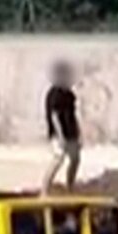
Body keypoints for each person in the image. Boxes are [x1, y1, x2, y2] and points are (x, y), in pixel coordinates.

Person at [42, 60, 81, 194]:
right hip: (58, 134)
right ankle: (44, 190)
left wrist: (77, 132)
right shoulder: (54, 94)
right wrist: (60, 135)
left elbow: (73, 115)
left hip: (71, 133)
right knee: (58, 159)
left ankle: (70, 187)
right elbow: (55, 117)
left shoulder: (70, 95)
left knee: (75, 159)